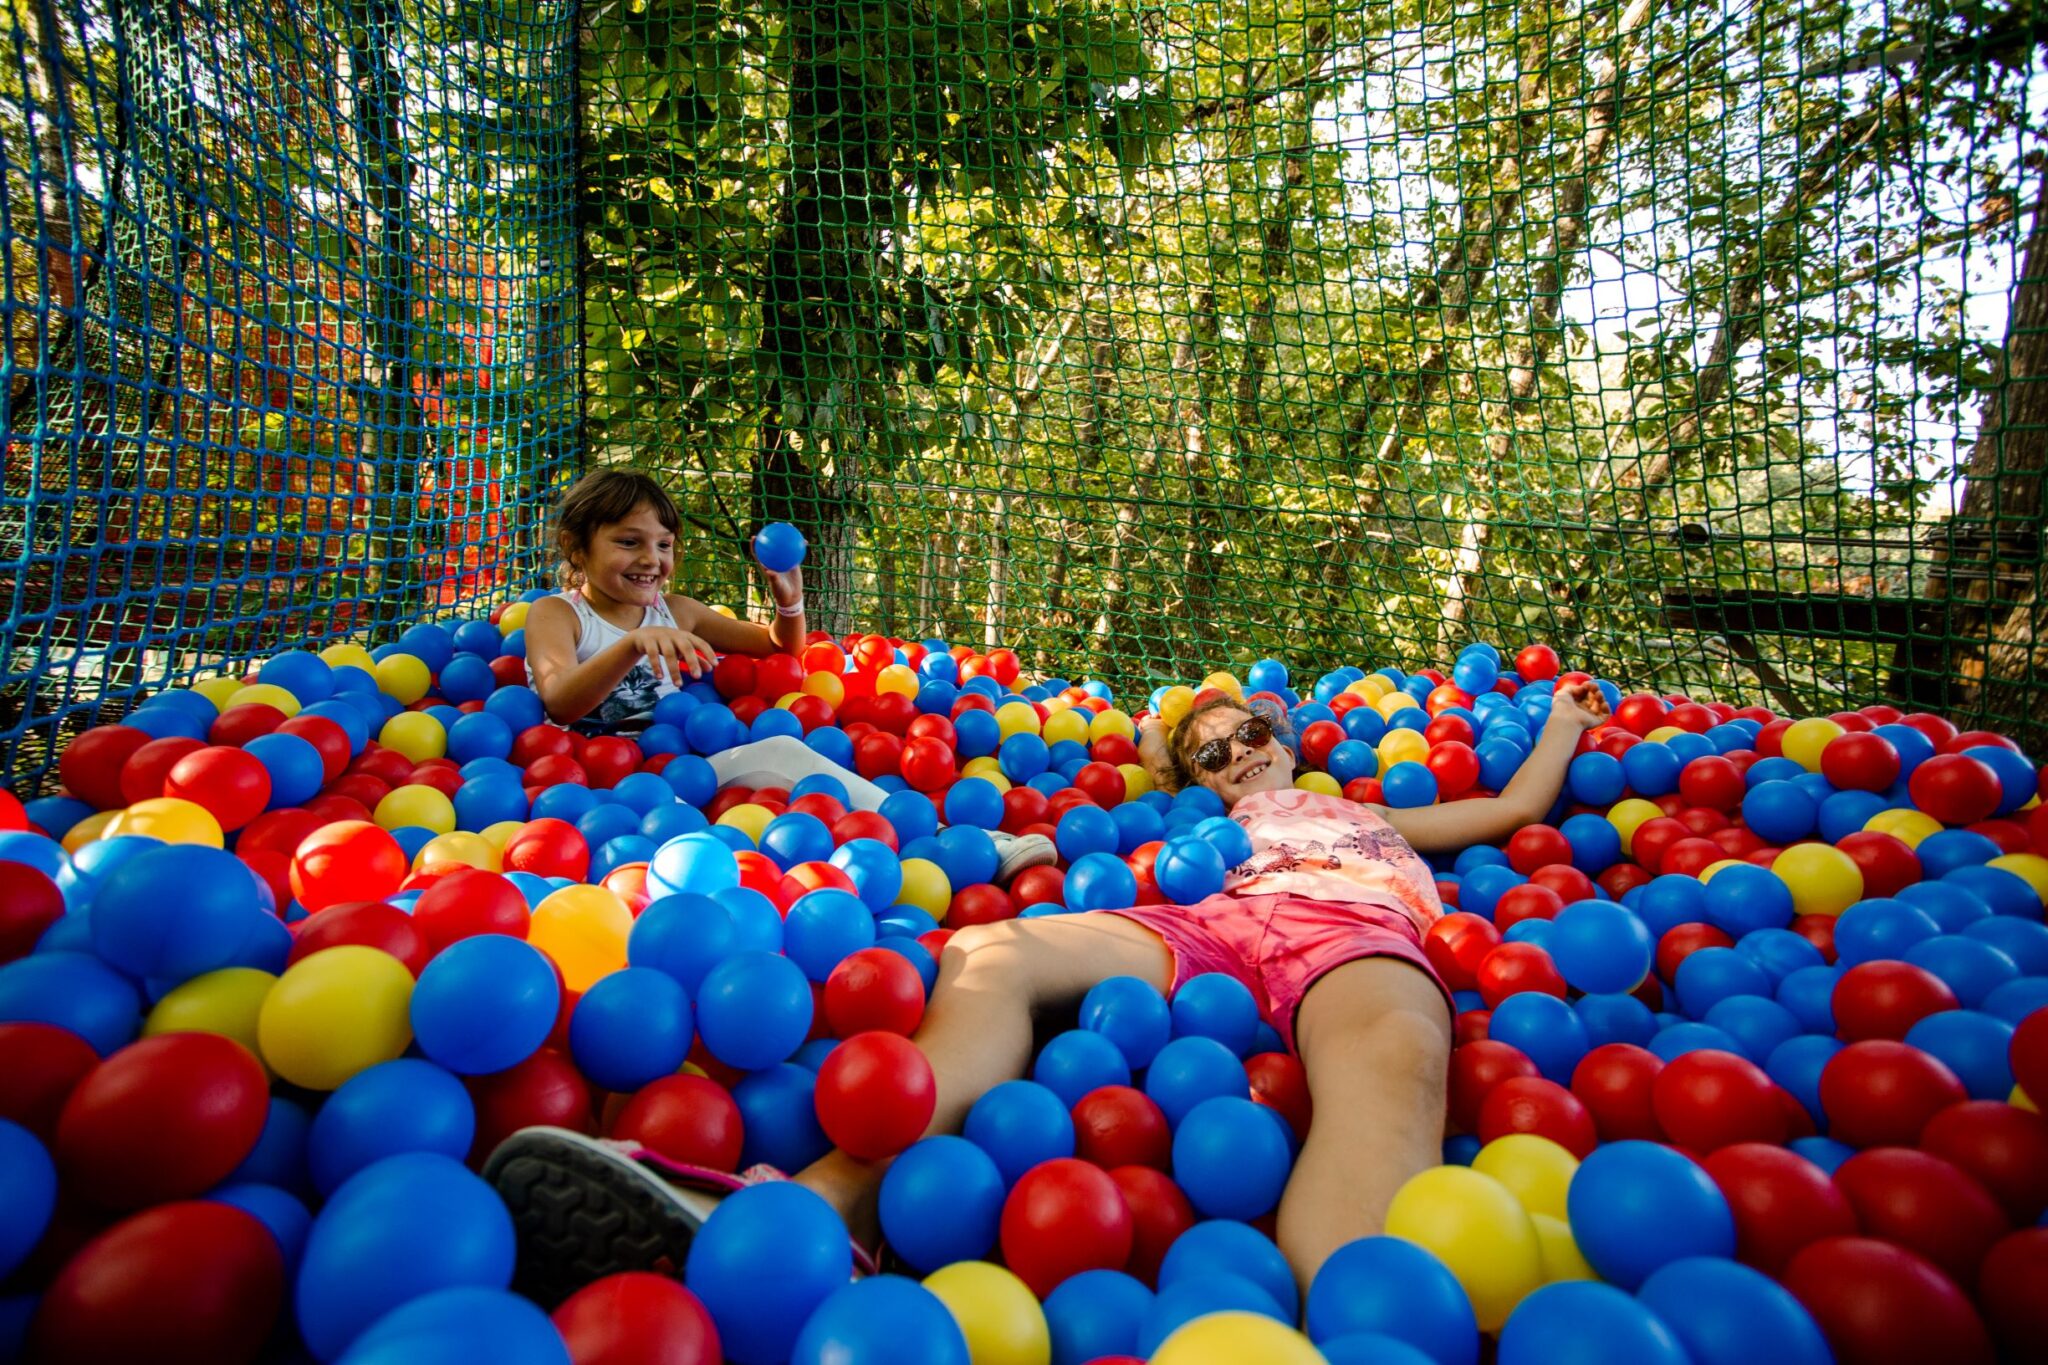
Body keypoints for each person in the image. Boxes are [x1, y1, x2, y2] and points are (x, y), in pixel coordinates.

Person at [486, 674, 1611, 1307]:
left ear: (1283, 736)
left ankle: (1349, 1316)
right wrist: (1054, 846)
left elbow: (1509, 812)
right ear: (1195, 780)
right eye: (1210, 754)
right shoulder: (1206, 827)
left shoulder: (1367, 814)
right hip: (1207, 924)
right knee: (998, 953)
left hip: (1348, 929)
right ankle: (810, 1210)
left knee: (1392, 1067)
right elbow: (1114, 867)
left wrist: (1560, 727)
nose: (1237, 756)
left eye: (1246, 736)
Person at [522, 466, 1054, 859]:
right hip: (587, 788)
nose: (651, 559)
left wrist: (788, 599)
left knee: (781, 750)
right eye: (628, 542)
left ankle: (954, 843)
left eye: (664, 544)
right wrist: (633, 645)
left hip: (675, 770)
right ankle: (949, 845)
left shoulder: (676, 612)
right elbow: (561, 702)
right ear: (576, 547)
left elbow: (780, 649)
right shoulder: (557, 615)